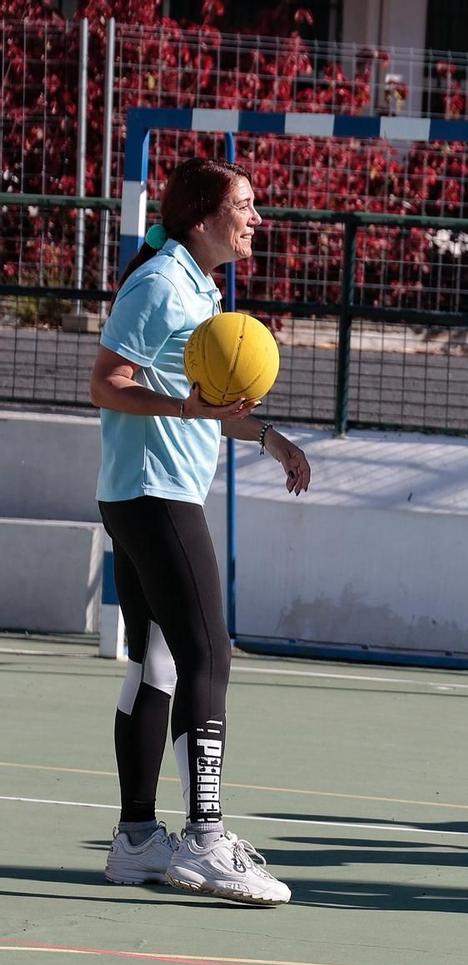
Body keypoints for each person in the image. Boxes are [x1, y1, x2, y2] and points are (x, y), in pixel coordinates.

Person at [92, 157, 311, 908]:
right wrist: (187, 413)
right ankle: (207, 838)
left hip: (146, 493)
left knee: (155, 663)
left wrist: (267, 436)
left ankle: (135, 841)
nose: (256, 218)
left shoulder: (197, 286)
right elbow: (105, 382)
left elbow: (204, 400)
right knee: (208, 655)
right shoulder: (156, 284)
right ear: (202, 216)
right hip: (153, 496)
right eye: (245, 204)